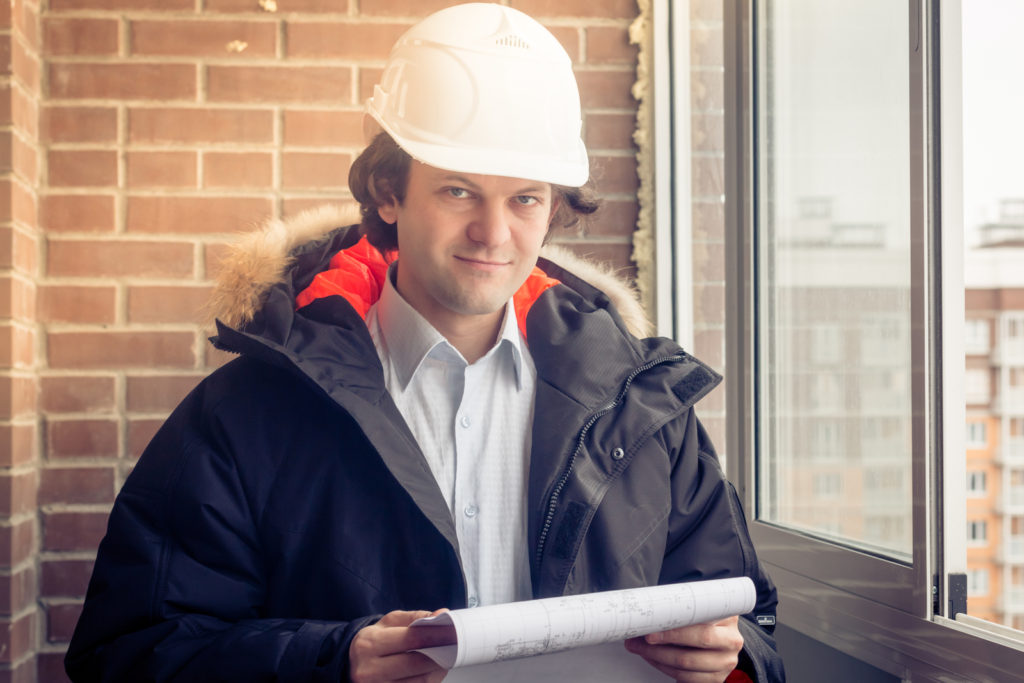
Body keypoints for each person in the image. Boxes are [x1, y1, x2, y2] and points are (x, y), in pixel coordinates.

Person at [65, 4, 785, 682]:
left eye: (525, 198)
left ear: (555, 207)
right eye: (458, 191)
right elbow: (128, 651)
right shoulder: (244, 413)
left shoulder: (645, 410)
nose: (494, 234)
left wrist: (734, 656)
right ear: (388, 191)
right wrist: (331, 660)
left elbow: (753, 621)